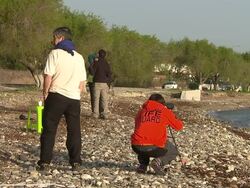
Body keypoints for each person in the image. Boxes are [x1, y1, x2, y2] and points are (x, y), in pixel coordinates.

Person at [37, 27, 87, 171]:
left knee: (49, 129)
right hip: (74, 99)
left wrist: (45, 93)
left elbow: (48, 76)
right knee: (74, 131)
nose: (52, 40)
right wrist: (76, 93)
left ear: (60, 38)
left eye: (54, 37)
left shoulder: (55, 53)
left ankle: (45, 162)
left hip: (57, 95)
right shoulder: (79, 57)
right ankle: (75, 162)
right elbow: (82, 83)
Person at [131, 93, 183, 175]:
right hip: (154, 146)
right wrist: (170, 114)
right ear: (162, 103)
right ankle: (158, 162)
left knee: (143, 139)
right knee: (174, 152)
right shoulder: (164, 111)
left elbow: (138, 125)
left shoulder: (141, 112)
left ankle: (143, 166)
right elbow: (179, 126)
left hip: (136, 146)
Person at [89, 49, 112, 119]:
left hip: (97, 83)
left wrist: (90, 67)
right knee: (104, 99)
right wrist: (109, 83)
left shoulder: (96, 62)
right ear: (105, 55)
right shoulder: (106, 63)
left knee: (96, 99)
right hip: (104, 83)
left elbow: (92, 73)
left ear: (98, 54)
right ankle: (105, 114)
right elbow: (109, 74)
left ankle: (95, 114)